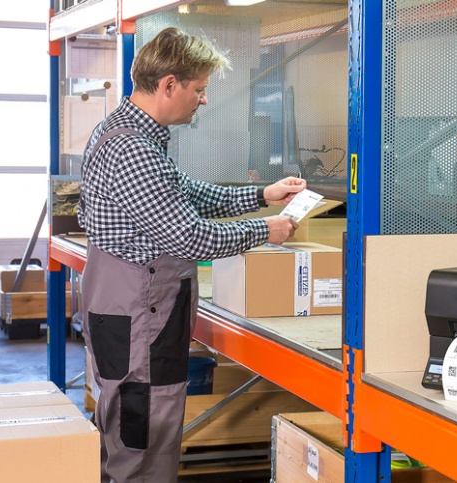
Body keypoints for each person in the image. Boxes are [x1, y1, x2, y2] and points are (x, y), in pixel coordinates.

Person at [78, 27, 304, 483]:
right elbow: (190, 239)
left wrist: (261, 194)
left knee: (133, 425)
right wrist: (267, 230)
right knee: (142, 432)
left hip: (132, 306)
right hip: (141, 312)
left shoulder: (131, 134)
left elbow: (183, 193)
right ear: (168, 86)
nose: (203, 101)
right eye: (198, 89)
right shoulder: (133, 149)